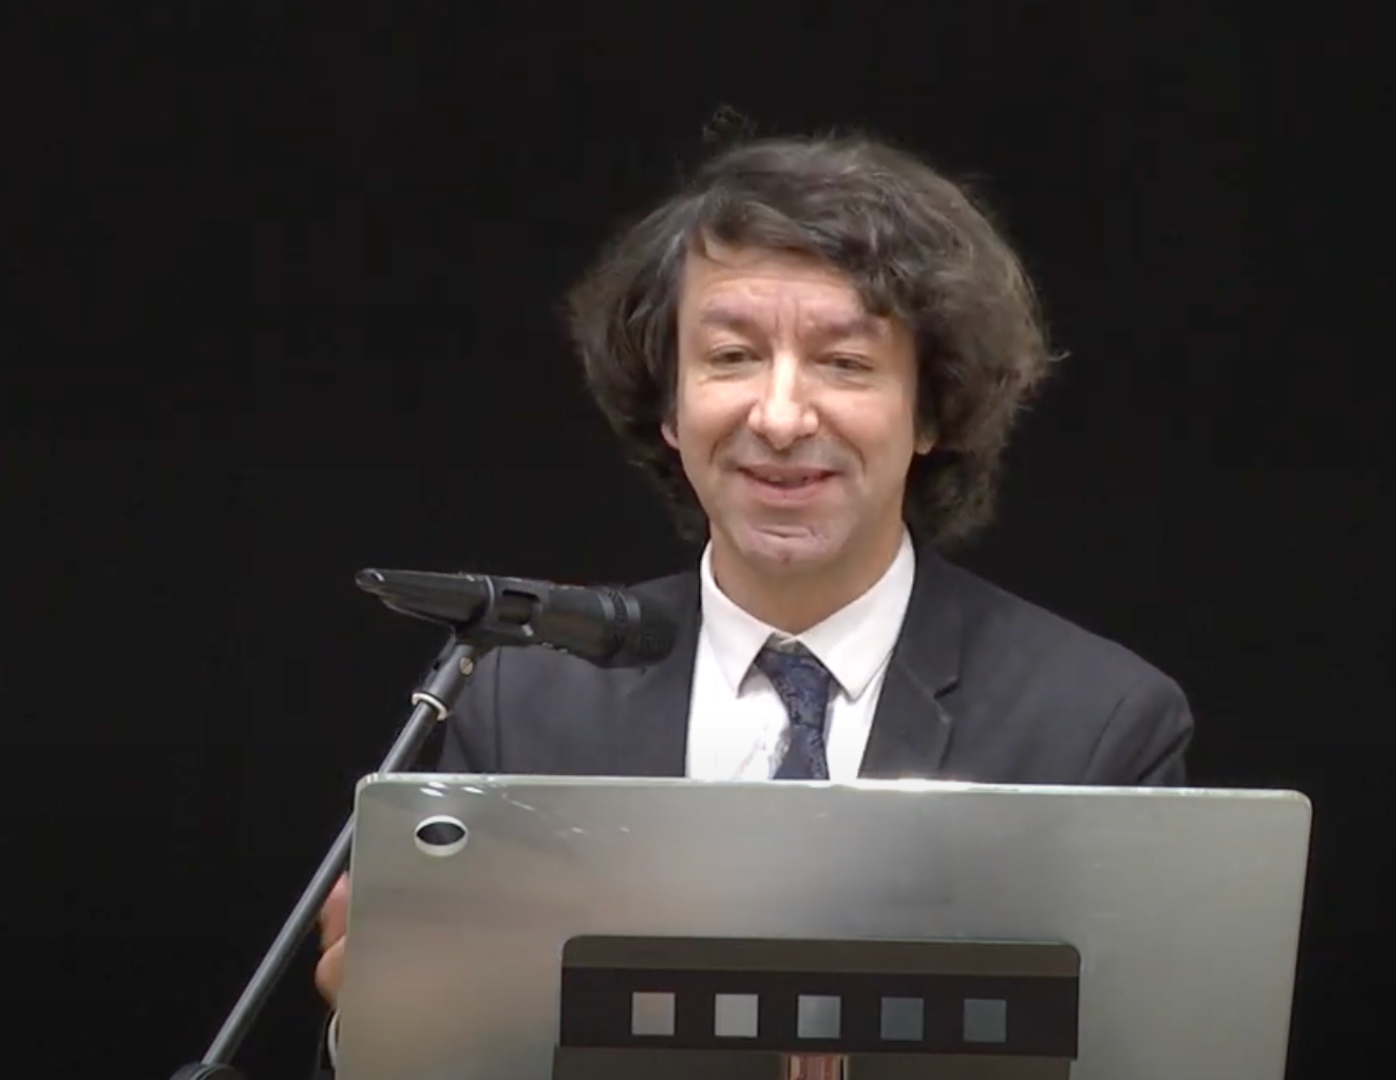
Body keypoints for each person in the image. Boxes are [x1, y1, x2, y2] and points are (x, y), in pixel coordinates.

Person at [311, 130, 1194, 1072]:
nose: (778, 416)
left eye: (845, 363)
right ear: (669, 405)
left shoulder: (1094, 724)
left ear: (932, 409)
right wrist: (381, 1026)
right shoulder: (526, 699)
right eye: (731, 356)